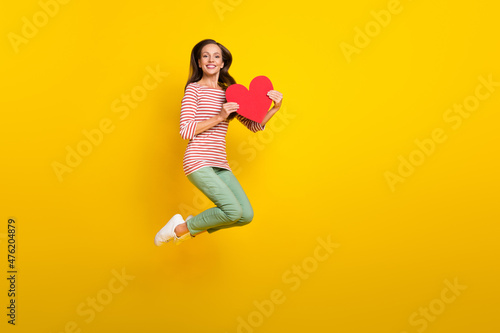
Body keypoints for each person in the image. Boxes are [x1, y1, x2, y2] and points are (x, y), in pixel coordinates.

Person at [154, 39, 283, 246]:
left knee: (244, 215)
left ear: (223, 63)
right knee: (231, 209)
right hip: (198, 161)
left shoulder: (230, 93)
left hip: (220, 163)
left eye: (216, 56)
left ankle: (185, 228)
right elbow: (186, 130)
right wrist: (220, 117)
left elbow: (254, 126)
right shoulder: (193, 90)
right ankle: (180, 229)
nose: (211, 60)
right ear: (199, 62)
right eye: (206, 55)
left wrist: (274, 109)